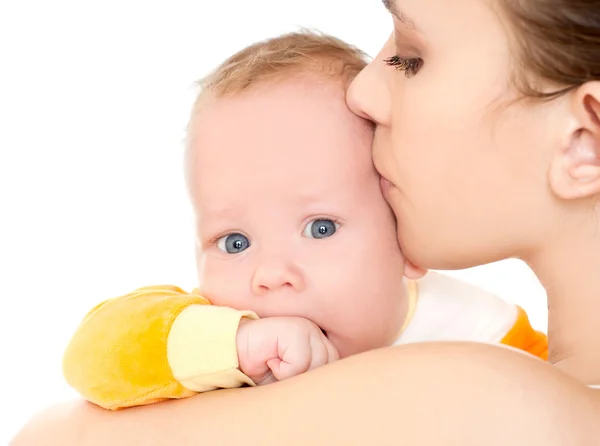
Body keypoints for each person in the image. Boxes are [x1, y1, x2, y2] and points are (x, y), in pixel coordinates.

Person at [12, 0, 600, 444]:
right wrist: (229, 345)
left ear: (583, 144)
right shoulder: (217, 328)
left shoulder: (497, 376)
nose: (363, 91)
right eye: (234, 241)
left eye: (411, 60)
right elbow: (98, 352)